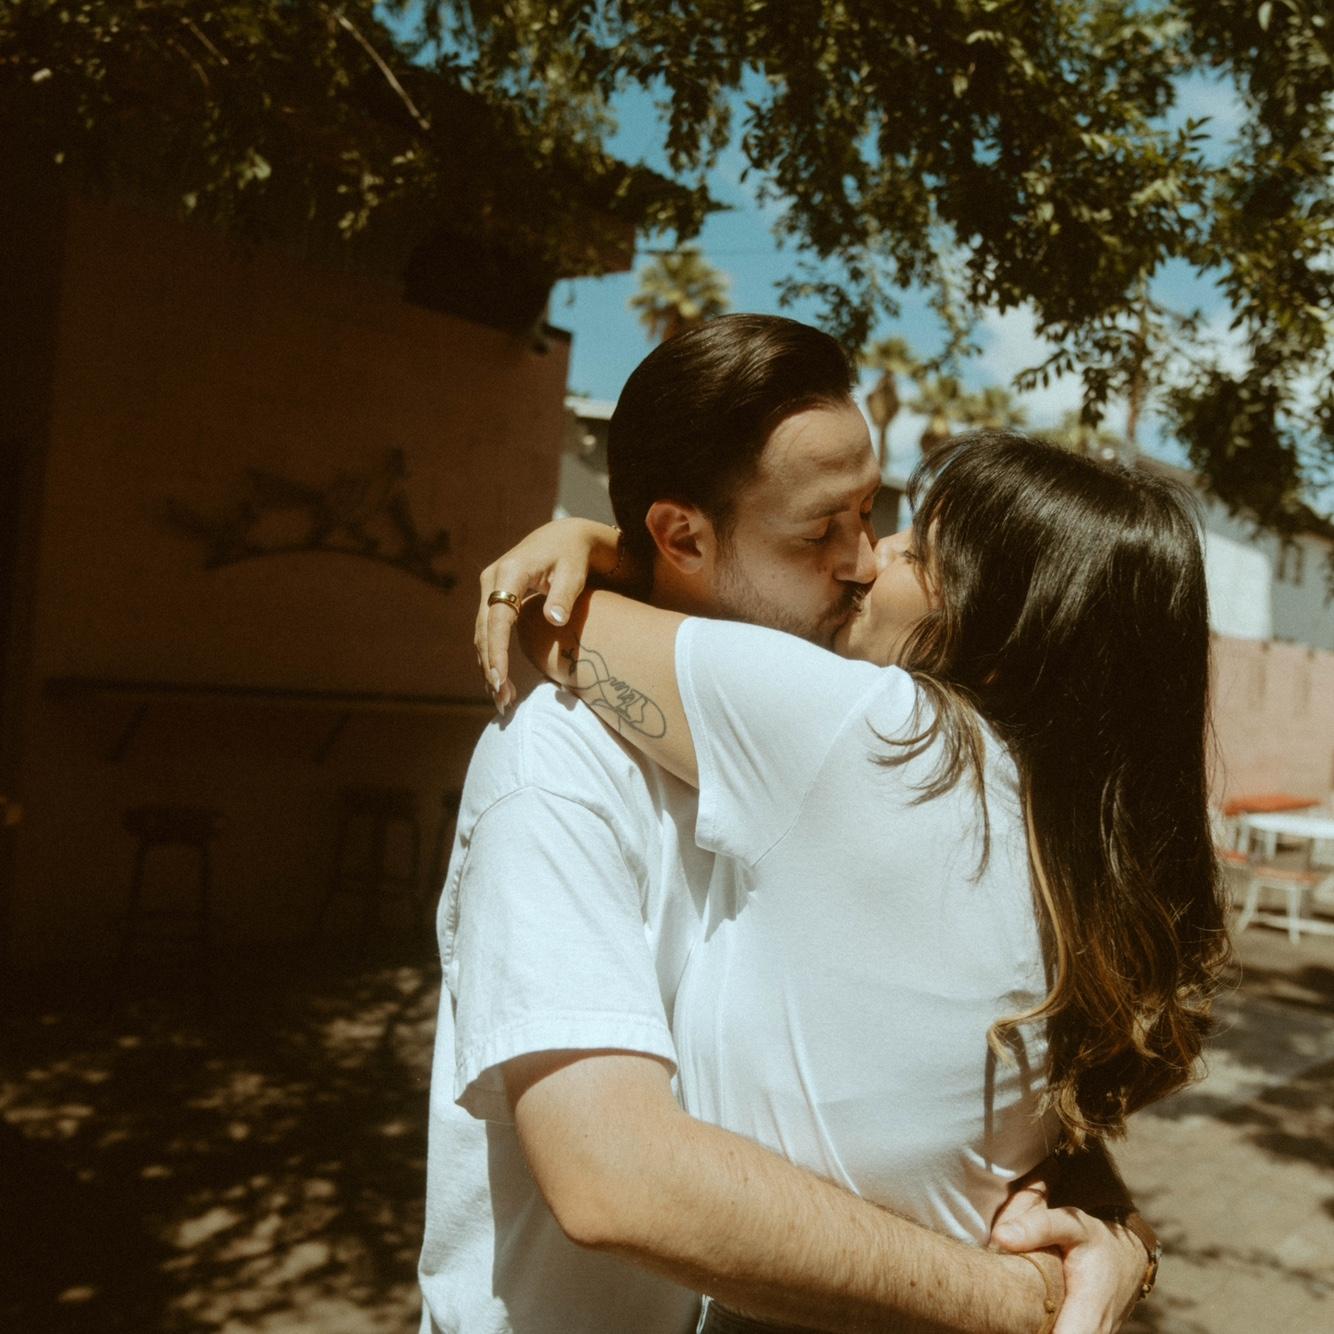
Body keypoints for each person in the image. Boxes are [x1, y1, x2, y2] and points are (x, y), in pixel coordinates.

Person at [420, 315, 1153, 1334]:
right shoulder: (558, 763)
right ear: (682, 536)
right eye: (819, 532)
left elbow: (977, 1063)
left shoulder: (879, 746)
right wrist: (1011, 1296)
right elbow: (611, 1175)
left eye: (871, 513)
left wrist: (1109, 1220)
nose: (862, 561)